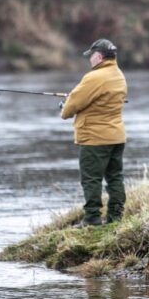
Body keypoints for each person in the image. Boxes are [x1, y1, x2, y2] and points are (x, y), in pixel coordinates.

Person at [60, 39, 128, 227]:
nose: (90, 60)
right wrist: (73, 98)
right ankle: (115, 217)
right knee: (115, 177)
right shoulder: (118, 75)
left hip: (94, 138)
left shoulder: (94, 77)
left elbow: (70, 108)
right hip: (116, 136)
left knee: (91, 179)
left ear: (98, 56)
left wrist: (64, 105)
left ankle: (92, 218)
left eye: (91, 56)